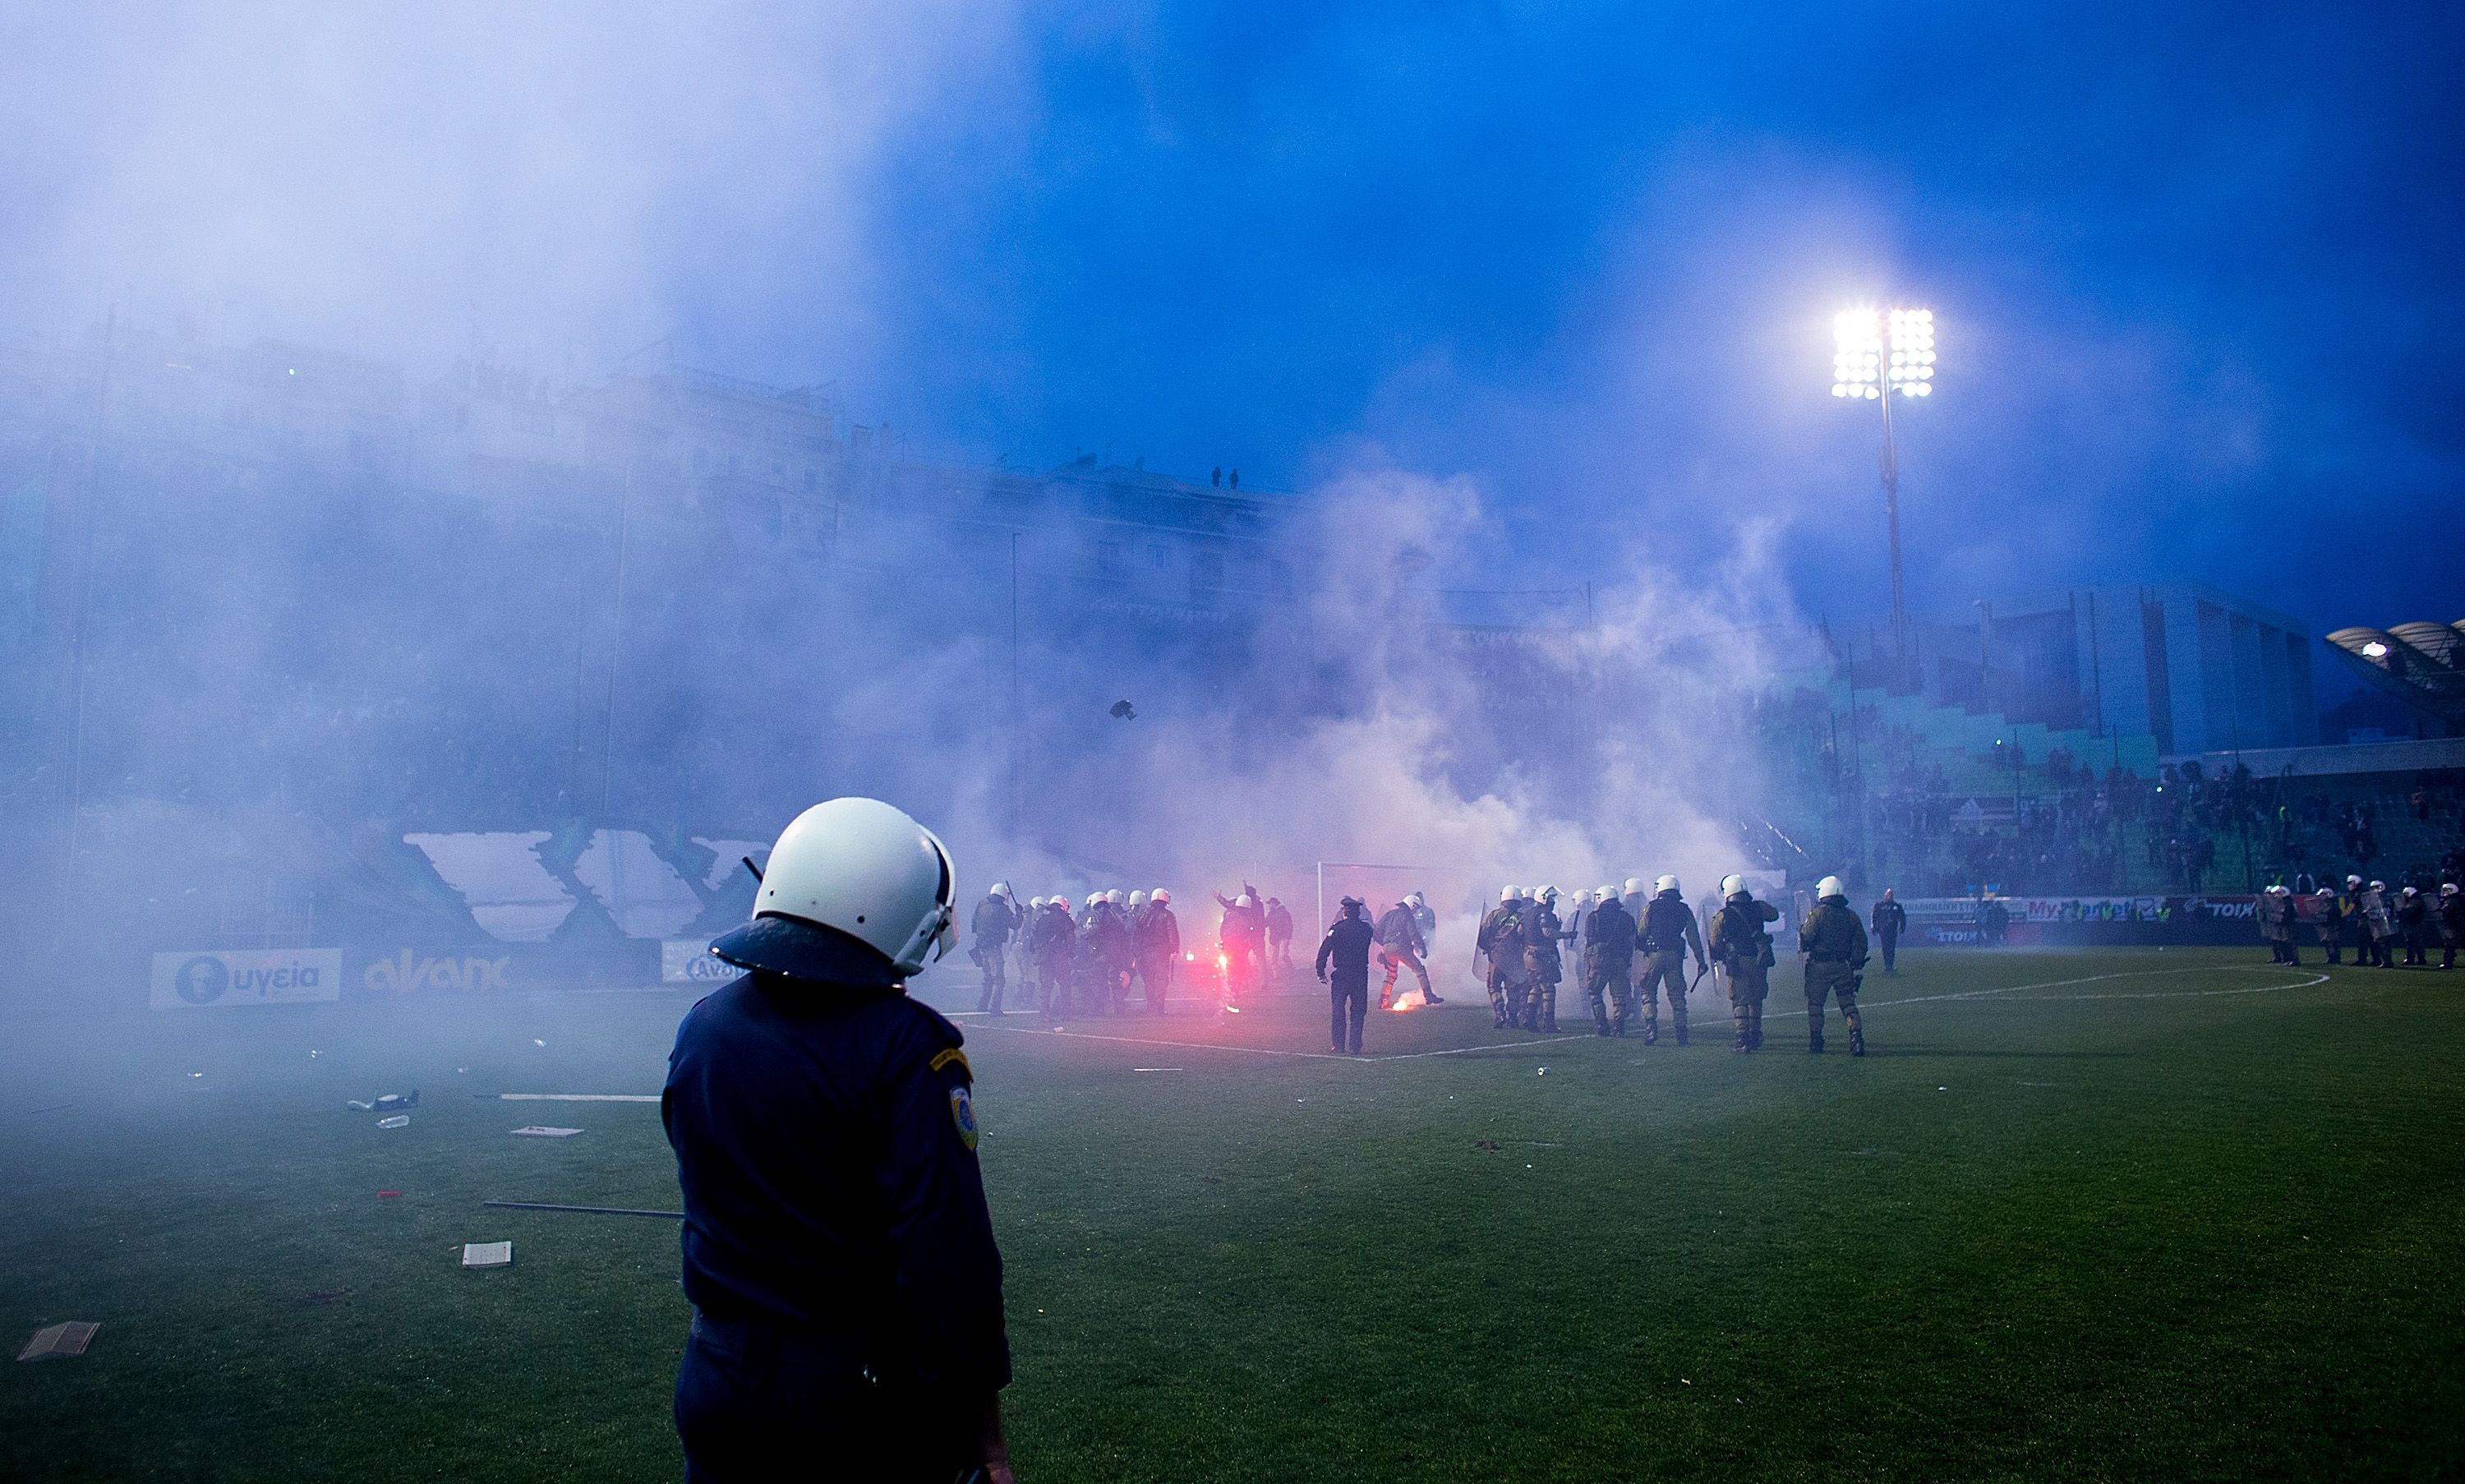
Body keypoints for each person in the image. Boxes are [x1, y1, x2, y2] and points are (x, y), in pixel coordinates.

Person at [664, 796, 1013, 1483]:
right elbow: (947, 1251)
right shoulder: (906, 1046)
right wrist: (983, 1433)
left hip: (716, 1375)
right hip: (848, 1399)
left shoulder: (704, 1025)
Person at [1707, 873, 1780, 1054]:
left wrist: (1719, 954)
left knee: (1739, 999)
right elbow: (1774, 915)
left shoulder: (1723, 915)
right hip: (1758, 959)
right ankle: (1755, 1035)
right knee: (1756, 998)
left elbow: (1714, 941)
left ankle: (1742, 1039)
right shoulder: (1759, 908)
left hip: (1737, 961)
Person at [1799, 874, 1869, 1056]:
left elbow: (1807, 937)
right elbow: (1861, 941)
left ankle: (1816, 1041)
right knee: (1848, 1004)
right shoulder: (1851, 916)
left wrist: (1801, 931)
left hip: (1819, 967)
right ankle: (1856, 1039)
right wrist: (1856, 961)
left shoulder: (1817, 914)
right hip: (1843, 966)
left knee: (1815, 1006)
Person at [1635, 876, 1706, 1047]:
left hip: (1654, 955)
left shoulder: (1651, 908)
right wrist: (1701, 961)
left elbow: (1641, 933)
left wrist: (1643, 949)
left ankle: (1651, 1029)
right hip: (1675, 956)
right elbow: (1693, 937)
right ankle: (1681, 1034)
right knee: (1677, 994)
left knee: (1648, 991)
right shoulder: (1684, 909)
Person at [1316, 896, 1376, 1054]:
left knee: (1338, 1009)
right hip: (1360, 973)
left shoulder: (1337, 929)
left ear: (1345, 912)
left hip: (1342, 974)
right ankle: (1355, 1045)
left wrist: (1320, 971)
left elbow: (1324, 950)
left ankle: (1338, 1045)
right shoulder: (1366, 929)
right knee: (1358, 1011)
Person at [1581, 883, 1637, 1036]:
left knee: (1594, 992)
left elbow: (1589, 941)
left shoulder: (1593, 917)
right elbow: (1632, 941)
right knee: (1619, 996)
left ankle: (1601, 1024)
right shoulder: (1627, 918)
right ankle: (1619, 1027)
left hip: (1600, 962)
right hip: (1620, 961)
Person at [1476, 887, 1530, 1030]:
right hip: (1515, 958)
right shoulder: (1522, 917)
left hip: (1497, 957)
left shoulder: (1494, 916)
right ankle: (1513, 1018)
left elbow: (1483, 936)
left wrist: (1488, 950)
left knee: (1494, 987)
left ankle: (1500, 1014)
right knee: (1513, 989)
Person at [1375, 894, 1436, 1008]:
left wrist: (1385, 944)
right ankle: (1429, 996)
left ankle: (1383, 1001)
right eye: (1416, 909)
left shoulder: (1390, 914)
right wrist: (1422, 948)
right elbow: (1413, 933)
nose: (1416, 912)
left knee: (1391, 975)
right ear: (1413, 906)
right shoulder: (1407, 916)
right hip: (1402, 947)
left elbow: (1376, 931)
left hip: (1387, 948)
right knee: (1419, 970)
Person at [970, 883, 1019, 1014]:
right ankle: (995, 1008)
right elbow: (1015, 925)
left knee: (987, 978)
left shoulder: (981, 904)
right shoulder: (1002, 909)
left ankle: (982, 1005)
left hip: (981, 947)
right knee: (999, 979)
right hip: (994, 948)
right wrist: (1019, 913)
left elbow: (973, 924)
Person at [1522, 887, 1565, 1032]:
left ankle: (1529, 1018)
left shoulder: (1528, 914)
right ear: (1543, 898)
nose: (1553, 902)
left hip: (1529, 955)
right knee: (1548, 989)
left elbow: (1520, 932)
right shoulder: (1544, 913)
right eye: (1551, 898)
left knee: (1535, 987)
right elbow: (1547, 932)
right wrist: (1566, 935)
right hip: (1541, 956)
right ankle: (1549, 1023)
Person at [1033, 894, 1077, 1018]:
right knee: (1065, 984)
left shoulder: (1042, 919)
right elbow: (1071, 938)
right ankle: (1066, 1013)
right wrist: (1071, 953)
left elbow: (1035, 937)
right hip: (1059, 955)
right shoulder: (1066, 919)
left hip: (1044, 956)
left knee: (1046, 986)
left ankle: (1044, 1013)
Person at [1138, 888, 1180, 1012]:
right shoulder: (1168, 915)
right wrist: (1174, 949)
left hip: (1145, 952)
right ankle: (1159, 1007)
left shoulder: (1143, 914)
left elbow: (1137, 933)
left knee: (1148, 980)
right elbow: (1172, 933)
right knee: (1161, 980)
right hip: (1162, 952)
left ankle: (1150, 1005)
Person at [1870, 888, 1908, 974]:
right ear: (1885, 896)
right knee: (1885, 947)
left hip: (1892, 930)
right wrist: (1874, 928)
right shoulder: (1879, 906)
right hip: (1883, 931)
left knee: (1892, 948)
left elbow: (1902, 918)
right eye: (1888, 895)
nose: (1889, 897)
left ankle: (1890, 964)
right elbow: (1874, 917)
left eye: (1891, 895)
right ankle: (1887, 964)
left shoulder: (1897, 906)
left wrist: (1902, 927)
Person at [2363, 880, 2396, 968]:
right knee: (2379, 943)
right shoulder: (2371, 900)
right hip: (2376, 923)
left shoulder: (2387, 899)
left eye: (2376, 887)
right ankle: (2384, 961)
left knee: (2384, 943)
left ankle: (2387, 962)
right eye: (2373, 888)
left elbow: (2388, 911)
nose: (2375, 890)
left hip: (2385, 923)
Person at [2398, 886, 2430, 966]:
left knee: (2415, 942)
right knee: (2412, 942)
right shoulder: (2414, 901)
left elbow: (2409, 912)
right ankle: (2415, 959)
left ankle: (2417, 959)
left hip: (2415, 924)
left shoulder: (2415, 902)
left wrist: (2401, 911)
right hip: (2413, 923)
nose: (2405, 896)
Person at [1265, 896, 1296, 979]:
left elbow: (1289, 926)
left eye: (1270, 904)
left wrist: (1287, 937)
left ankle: (1291, 970)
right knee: (1273, 958)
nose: (1269, 906)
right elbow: (1265, 924)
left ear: (1275, 904)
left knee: (1283, 955)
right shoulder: (1271, 914)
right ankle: (1276, 976)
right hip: (1274, 938)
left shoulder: (1284, 913)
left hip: (1283, 937)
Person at [2315, 887, 2345, 965]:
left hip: (2332, 927)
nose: (2321, 897)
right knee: (2328, 942)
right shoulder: (2324, 905)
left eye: (2323, 895)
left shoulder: (2333, 906)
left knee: (2333, 942)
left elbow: (2334, 918)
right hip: (2326, 926)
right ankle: (2331, 957)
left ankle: (2336, 957)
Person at [2440, 883, 2463, 971]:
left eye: (2446, 890)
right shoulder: (2457, 900)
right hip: (2458, 924)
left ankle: (2448, 963)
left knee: (2450, 944)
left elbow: (2446, 911)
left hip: (2455, 925)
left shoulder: (2451, 901)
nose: (2444, 892)